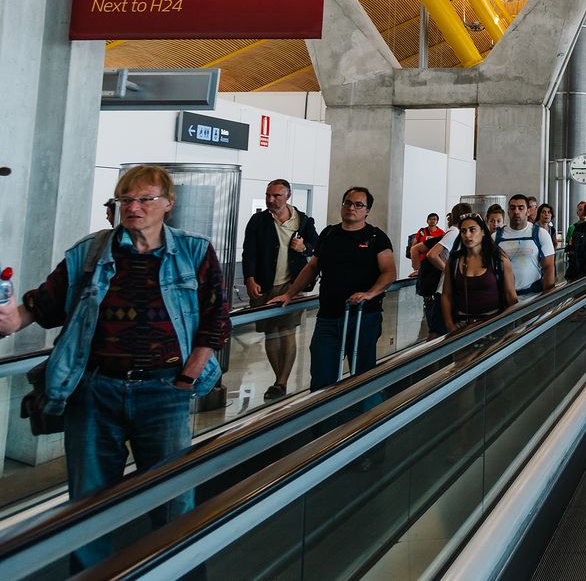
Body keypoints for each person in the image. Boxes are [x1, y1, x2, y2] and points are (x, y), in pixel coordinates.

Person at [0, 165, 229, 567]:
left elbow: (216, 321)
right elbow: (41, 305)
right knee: (88, 503)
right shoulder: (91, 253)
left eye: (145, 199)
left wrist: (187, 377)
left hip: (164, 394)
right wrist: (11, 319)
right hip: (94, 393)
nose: (133, 207)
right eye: (125, 199)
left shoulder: (194, 252)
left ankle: (177, 570)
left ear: (168, 205)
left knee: (173, 498)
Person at [270, 186, 395, 388]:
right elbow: (312, 267)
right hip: (328, 317)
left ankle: (363, 416)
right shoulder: (329, 234)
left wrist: (369, 294)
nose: (351, 208)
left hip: (363, 317)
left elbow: (389, 272)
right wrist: (289, 294)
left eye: (358, 204)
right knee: (321, 376)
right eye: (347, 202)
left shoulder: (375, 237)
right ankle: (323, 418)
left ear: (367, 210)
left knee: (362, 376)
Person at [241, 178, 319, 400]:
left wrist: (304, 247)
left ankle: (281, 381)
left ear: (288, 196)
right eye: (268, 195)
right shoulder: (258, 220)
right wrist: (249, 278)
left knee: (287, 331)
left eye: (276, 196)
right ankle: (279, 377)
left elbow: (317, 246)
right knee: (270, 332)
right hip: (265, 284)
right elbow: (249, 252)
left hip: (291, 285)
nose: (271, 200)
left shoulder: (302, 221)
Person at [441, 213, 516, 331]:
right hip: (463, 325)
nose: (467, 235)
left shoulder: (498, 259)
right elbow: (446, 294)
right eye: (463, 231)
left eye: (472, 230)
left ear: (483, 232)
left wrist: (512, 326)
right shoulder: (454, 261)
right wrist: (450, 325)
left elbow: (510, 295)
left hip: (494, 324)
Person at [412, 202, 474, 338]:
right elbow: (432, 254)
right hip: (445, 291)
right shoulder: (454, 233)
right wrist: (449, 271)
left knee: (446, 331)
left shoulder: (456, 233)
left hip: (452, 291)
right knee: (438, 332)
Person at [496, 195, 557, 296]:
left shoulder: (540, 234)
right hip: (504, 297)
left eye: (521, 208)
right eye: (512, 208)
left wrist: (547, 299)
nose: (516, 211)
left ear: (528, 211)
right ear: (508, 211)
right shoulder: (495, 237)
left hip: (533, 296)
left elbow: (549, 268)